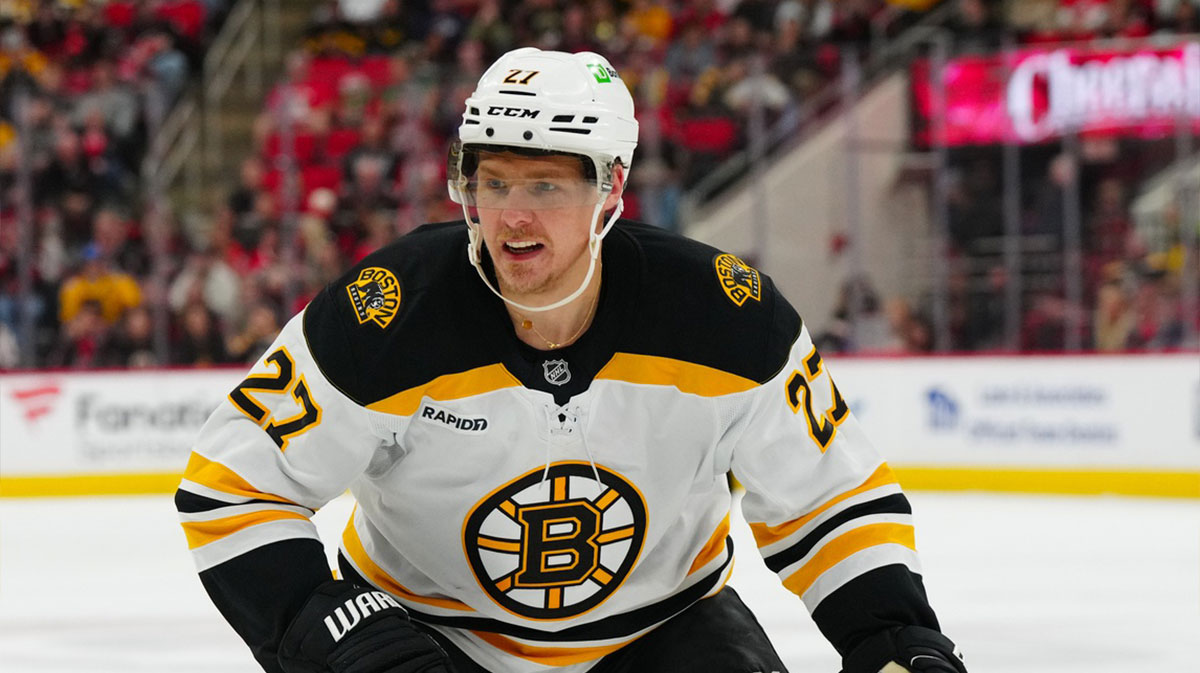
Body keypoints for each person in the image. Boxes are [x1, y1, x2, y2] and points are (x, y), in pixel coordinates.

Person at [176, 48, 967, 673]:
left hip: (666, 633)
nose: (511, 217)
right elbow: (232, 486)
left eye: (547, 186)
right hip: (426, 639)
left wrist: (891, 633)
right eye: (492, 183)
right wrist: (329, 624)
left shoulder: (725, 316)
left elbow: (827, 499)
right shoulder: (386, 313)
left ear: (611, 187)